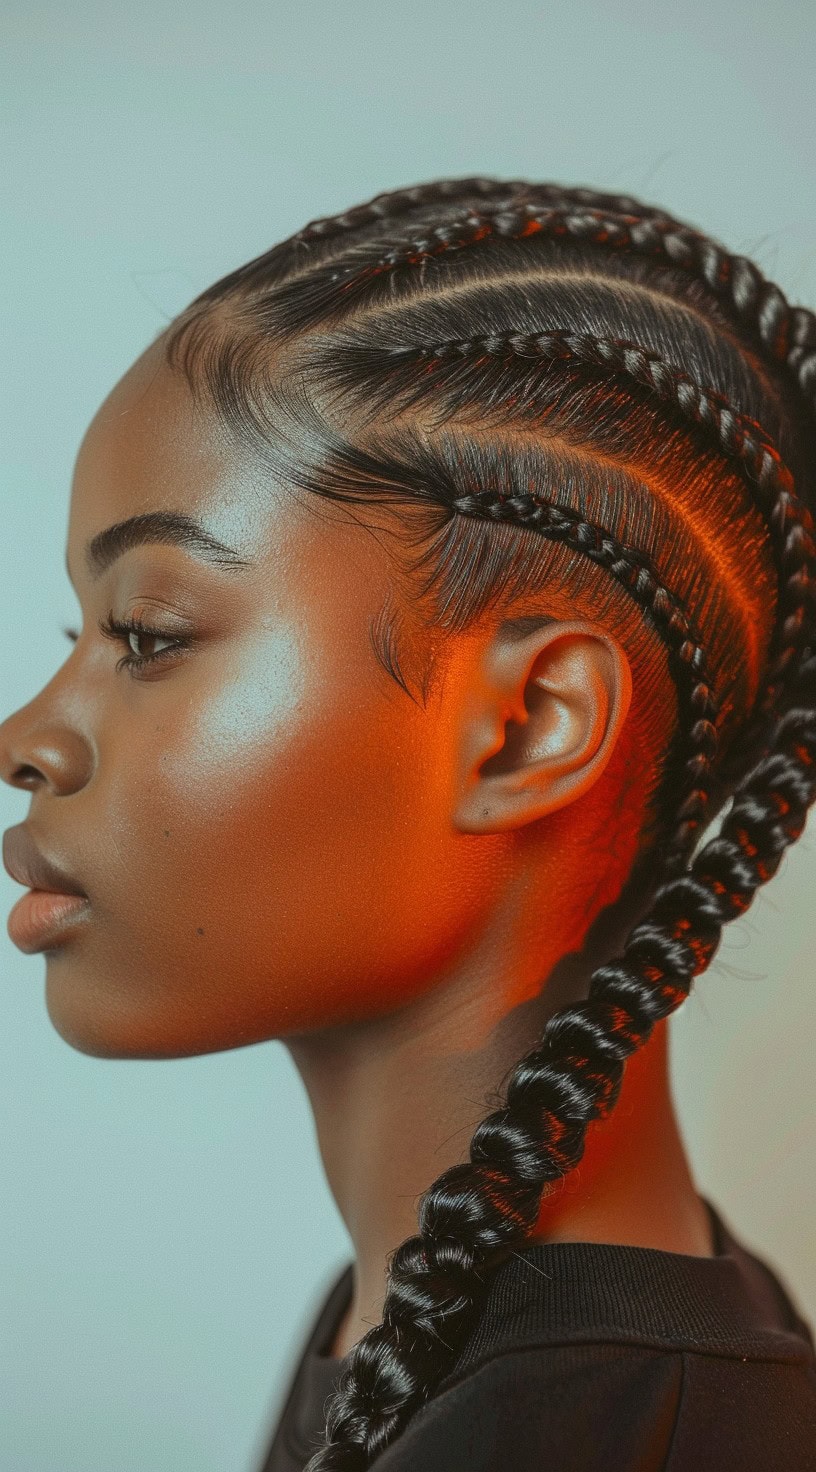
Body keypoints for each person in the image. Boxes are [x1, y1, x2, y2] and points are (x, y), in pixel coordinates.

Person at [1, 176, 815, 1471]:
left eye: (147, 636)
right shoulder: (418, 1320)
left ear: (528, 727)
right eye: (74, 636)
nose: (27, 741)